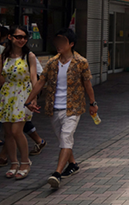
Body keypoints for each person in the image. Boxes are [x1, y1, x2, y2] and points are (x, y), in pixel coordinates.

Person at [25, 29, 98, 189]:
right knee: (63, 139)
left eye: (62, 42)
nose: (58, 45)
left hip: (73, 108)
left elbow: (87, 84)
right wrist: (28, 100)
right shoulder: (52, 62)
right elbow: (40, 82)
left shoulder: (81, 62)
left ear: (71, 44)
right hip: (54, 108)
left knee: (66, 137)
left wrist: (93, 103)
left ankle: (57, 173)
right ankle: (72, 164)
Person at [0, 26, 38, 179]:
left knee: (17, 131)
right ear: (10, 37)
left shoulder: (29, 56)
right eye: (18, 37)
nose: (21, 40)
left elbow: (34, 77)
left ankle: (25, 162)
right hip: (7, 94)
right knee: (8, 132)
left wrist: (34, 97)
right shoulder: (4, 55)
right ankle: (13, 163)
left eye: (24, 37)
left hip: (24, 95)